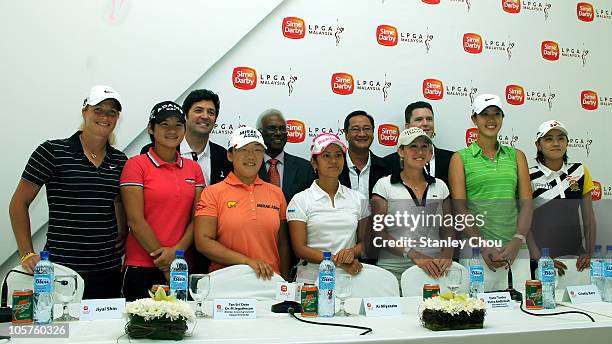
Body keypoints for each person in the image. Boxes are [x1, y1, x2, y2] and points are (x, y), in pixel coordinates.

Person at [9, 85, 127, 299]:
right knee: (62, 331)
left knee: (104, 332)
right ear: (85, 112)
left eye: (112, 112)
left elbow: (118, 200)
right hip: (61, 270)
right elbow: (18, 203)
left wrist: (122, 231)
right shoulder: (51, 151)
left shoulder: (120, 160)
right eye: (98, 109)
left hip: (107, 271)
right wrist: (26, 252)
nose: (105, 116)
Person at [120, 101, 205, 301]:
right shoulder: (135, 165)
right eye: (164, 124)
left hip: (182, 267)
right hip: (141, 266)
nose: (172, 130)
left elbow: (197, 218)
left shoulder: (194, 169)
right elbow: (135, 220)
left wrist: (176, 255)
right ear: (151, 128)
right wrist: (165, 262)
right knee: (141, 330)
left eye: (178, 125)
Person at [449, 94, 532, 272]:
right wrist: (484, 246)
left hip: (516, 250)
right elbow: (460, 209)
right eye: (484, 114)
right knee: (475, 301)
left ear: (502, 117)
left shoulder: (517, 156)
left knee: (524, 300)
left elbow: (526, 204)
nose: (491, 119)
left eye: (496, 113)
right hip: (477, 252)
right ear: (474, 119)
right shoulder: (460, 158)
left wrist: (518, 240)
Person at [194, 126, 290, 280]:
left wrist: (285, 282)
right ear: (230, 155)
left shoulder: (276, 193)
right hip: (226, 281)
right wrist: (246, 262)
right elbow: (203, 242)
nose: (251, 156)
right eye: (243, 150)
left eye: (257, 150)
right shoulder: (212, 193)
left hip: (269, 282)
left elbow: (283, 245)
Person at [372, 128, 454, 281]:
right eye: (413, 147)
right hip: (393, 273)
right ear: (401, 151)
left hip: (434, 271)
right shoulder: (384, 186)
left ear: (430, 154)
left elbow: (448, 228)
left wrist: (448, 253)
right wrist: (414, 255)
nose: (420, 152)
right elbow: (379, 234)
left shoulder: (440, 186)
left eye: (424, 147)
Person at [287, 133, 370, 283]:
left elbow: (367, 242)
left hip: (349, 276)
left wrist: (352, 252)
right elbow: (299, 249)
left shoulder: (358, 198)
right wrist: (337, 261)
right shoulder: (300, 200)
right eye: (326, 156)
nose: (333, 161)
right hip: (311, 279)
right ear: (314, 162)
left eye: (338, 155)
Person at [528, 120, 596, 275]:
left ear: (567, 143)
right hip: (543, 261)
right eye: (548, 139)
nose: (556, 143)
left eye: (561, 138)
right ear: (538, 144)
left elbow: (589, 218)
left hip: (577, 258)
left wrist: (589, 253)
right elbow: (524, 223)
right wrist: (539, 257)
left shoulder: (579, 171)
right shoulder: (528, 175)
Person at [178, 89, 231, 274]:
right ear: (185, 115)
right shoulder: (163, 150)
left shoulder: (224, 157)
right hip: (171, 245)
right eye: (198, 110)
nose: (205, 116)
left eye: (211, 112)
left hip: (210, 250)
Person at [384, 101, 453, 186]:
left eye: (429, 119)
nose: (425, 123)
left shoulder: (452, 159)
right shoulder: (388, 163)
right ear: (407, 127)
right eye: (419, 120)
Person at [256, 109, 315, 203]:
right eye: (272, 129)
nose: (278, 133)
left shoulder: (305, 168)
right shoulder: (249, 166)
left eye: (282, 129)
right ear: (260, 133)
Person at [339, 110, 390, 198]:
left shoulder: (387, 168)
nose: (362, 134)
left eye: (367, 129)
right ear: (346, 134)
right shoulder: (334, 167)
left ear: (373, 133)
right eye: (355, 129)